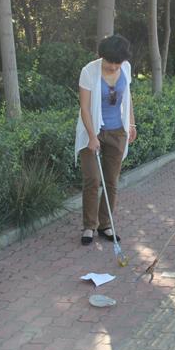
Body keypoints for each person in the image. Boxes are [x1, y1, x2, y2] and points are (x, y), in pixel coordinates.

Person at [75, 35, 137, 245]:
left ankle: (105, 225)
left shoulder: (125, 68)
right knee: (92, 179)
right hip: (92, 131)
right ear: (102, 56)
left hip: (117, 131)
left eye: (117, 63)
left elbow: (127, 97)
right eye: (110, 62)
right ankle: (89, 226)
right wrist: (92, 137)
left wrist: (131, 123)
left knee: (111, 181)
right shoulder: (89, 72)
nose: (114, 67)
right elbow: (84, 108)